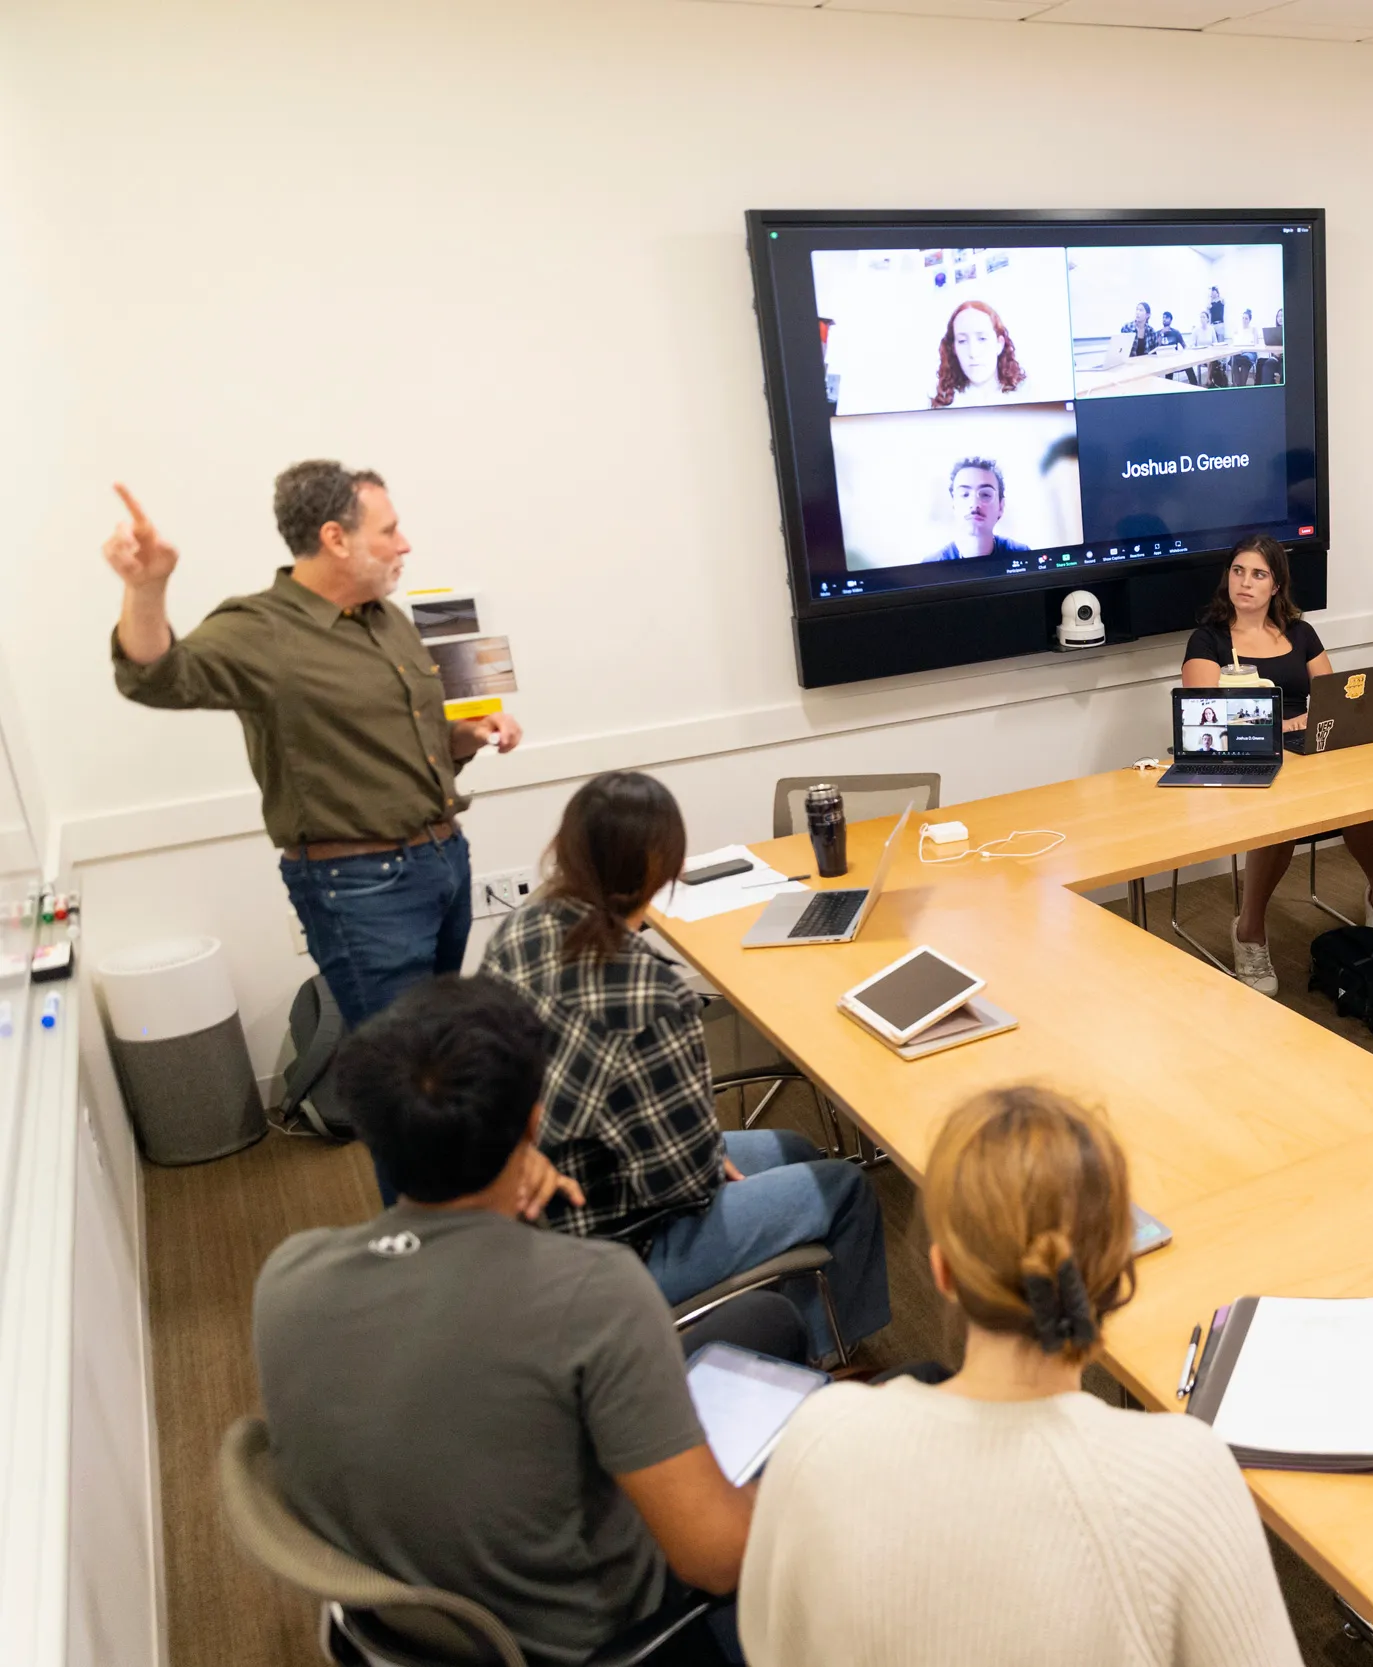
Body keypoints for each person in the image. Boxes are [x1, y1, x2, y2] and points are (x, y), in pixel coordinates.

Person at [254, 976, 753, 1667]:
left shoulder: (288, 1277)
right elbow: (715, 1561)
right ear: (533, 1122)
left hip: (413, 1625)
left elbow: (453, 1349)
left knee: (768, 1324)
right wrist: (811, 1479)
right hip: (605, 1641)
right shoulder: (599, 1293)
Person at [737, 1085, 1302, 1667]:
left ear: (944, 1272)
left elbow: (771, 1644)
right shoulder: (1186, 1475)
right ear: (1115, 1271)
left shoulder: (818, 1438)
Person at [481, 771, 889, 1365]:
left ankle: (792, 1321)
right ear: (660, 869)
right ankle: (830, 1361)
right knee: (849, 1189)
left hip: (524, 1193)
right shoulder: (651, 991)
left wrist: (699, 1152)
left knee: (796, 1148)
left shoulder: (519, 930)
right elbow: (683, 1184)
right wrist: (702, 1156)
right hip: (612, 1245)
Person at [105, 466, 523, 1033]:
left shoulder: (386, 618)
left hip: (442, 859)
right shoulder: (262, 628)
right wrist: (146, 588)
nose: (405, 544)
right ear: (335, 538)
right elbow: (155, 678)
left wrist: (466, 738)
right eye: (388, 530)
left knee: (443, 1045)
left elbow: (404, 749)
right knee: (402, 1063)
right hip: (364, 883)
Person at [1182, 536, 1373, 994]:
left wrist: (1307, 721)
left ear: (1276, 584)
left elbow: (1335, 697)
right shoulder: (1209, 639)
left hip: (1309, 748)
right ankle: (1250, 929)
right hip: (1244, 756)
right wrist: (1285, 723)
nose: (1245, 582)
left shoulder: (1300, 633)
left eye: (1258, 574)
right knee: (1277, 817)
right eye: (1238, 571)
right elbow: (1206, 714)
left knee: (1363, 796)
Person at [929, 457, 1030, 562]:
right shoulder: (932, 564)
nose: (974, 504)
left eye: (985, 494)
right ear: (953, 504)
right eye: (965, 494)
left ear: (1001, 506)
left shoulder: (1021, 554)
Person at [930, 299, 1026, 408]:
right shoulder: (942, 404)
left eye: (982, 339)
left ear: (999, 344)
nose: (973, 353)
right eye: (962, 341)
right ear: (954, 348)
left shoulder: (1028, 395)